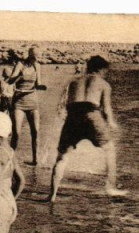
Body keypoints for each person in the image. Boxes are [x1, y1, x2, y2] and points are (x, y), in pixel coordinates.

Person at [48, 55, 123, 202]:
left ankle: (52, 195)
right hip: (91, 114)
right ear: (101, 69)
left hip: (72, 117)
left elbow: (66, 105)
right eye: (105, 71)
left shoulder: (73, 82)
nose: (105, 74)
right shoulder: (104, 84)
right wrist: (111, 123)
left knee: (62, 157)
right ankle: (110, 188)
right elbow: (106, 109)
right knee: (110, 150)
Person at [8, 46, 44, 165]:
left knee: (36, 131)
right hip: (19, 102)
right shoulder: (20, 64)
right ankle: (10, 160)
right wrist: (19, 75)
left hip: (33, 101)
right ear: (30, 55)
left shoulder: (37, 66)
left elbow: (38, 83)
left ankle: (35, 160)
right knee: (16, 132)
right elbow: (10, 81)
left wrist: (41, 87)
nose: (37, 59)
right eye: (35, 56)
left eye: (38, 56)